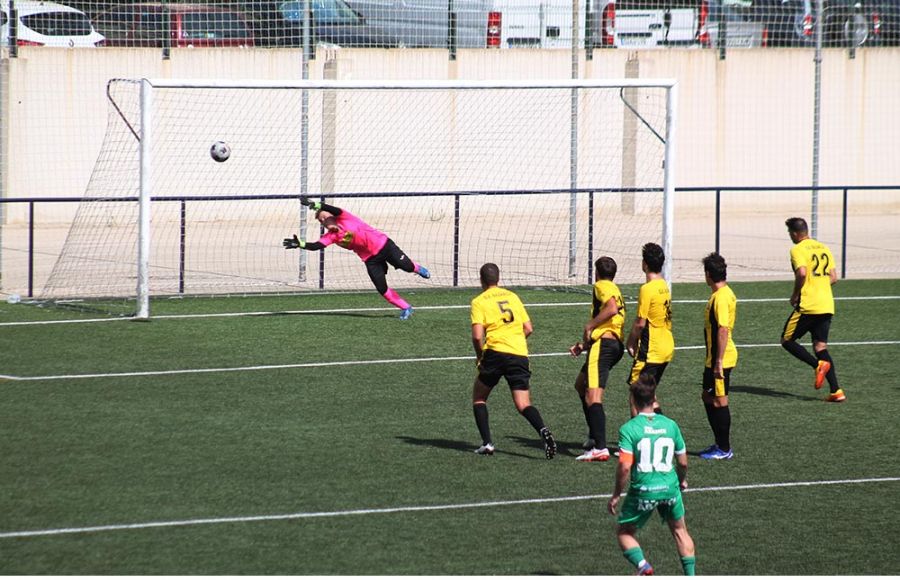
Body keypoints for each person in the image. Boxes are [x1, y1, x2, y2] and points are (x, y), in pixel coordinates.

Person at [283, 197, 430, 320]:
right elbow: (316, 245)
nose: (323, 220)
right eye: (321, 221)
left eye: (324, 216)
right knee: (381, 288)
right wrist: (300, 244)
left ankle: (418, 268)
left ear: (332, 215)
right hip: (370, 259)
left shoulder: (345, 217)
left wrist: (316, 205)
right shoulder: (331, 236)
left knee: (407, 267)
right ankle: (406, 307)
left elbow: (334, 209)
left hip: (384, 245)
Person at [607, 376, 696, 576]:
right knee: (681, 532)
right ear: (655, 399)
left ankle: (643, 566)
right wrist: (682, 480)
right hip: (670, 489)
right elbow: (682, 461)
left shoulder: (629, 429)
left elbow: (624, 466)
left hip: (644, 490)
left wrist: (615, 495)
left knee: (624, 532)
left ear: (633, 400)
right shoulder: (671, 425)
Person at [469, 263, 557, 459]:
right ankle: (543, 431)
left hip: (494, 353)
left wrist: (480, 356)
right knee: (523, 404)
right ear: (498, 278)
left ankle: (487, 444)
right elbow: (529, 328)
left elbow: (477, 336)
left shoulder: (479, 301)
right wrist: (515, 343)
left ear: (481, 280)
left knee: (479, 398)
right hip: (518, 354)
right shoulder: (512, 296)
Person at [568, 256, 626, 462]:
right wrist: (584, 345)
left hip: (604, 345)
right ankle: (594, 435)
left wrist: (589, 326)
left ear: (597, 273)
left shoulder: (602, 285)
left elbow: (611, 309)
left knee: (593, 396)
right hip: (612, 344)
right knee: (580, 385)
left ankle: (600, 447)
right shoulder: (615, 288)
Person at [781, 217, 845, 402]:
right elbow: (833, 277)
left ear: (794, 233)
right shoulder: (823, 247)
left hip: (808, 305)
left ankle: (817, 365)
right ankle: (836, 391)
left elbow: (801, 273)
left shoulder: (797, 249)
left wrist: (795, 294)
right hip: (826, 304)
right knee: (820, 346)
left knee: (786, 340)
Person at [625, 242, 673, 414]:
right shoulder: (663, 286)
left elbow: (640, 322)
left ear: (645, 263)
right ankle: (660, 432)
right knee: (649, 395)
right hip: (666, 347)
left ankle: (639, 438)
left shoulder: (647, 289)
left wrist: (630, 342)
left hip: (651, 349)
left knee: (635, 394)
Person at [699, 253, 738, 460]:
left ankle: (724, 448)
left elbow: (722, 329)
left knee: (720, 401)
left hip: (720, 358)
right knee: (708, 397)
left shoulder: (721, 297)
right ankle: (719, 443)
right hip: (713, 357)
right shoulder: (723, 294)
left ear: (708, 275)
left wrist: (719, 362)